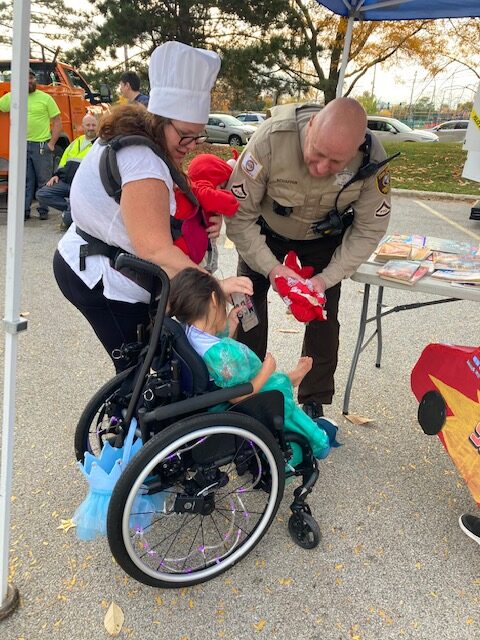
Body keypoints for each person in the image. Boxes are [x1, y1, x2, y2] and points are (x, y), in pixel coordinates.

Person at [53, 41, 252, 372]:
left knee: (151, 367)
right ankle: (124, 424)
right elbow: (154, 248)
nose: (190, 147)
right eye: (185, 136)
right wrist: (213, 285)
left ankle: (129, 419)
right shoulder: (143, 161)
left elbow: (154, 207)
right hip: (101, 277)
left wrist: (202, 224)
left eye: (197, 137)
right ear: (161, 119)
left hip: (89, 258)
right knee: (144, 374)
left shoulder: (142, 140)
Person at [225, 97, 392, 419]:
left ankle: (314, 400)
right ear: (312, 125)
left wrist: (325, 279)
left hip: (321, 242)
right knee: (246, 311)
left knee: (324, 321)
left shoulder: (372, 158)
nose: (320, 169)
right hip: (264, 234)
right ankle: (243, 393)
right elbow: (239, 216)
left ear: (357, 147)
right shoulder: (271, 140)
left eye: (335, 163)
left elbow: (370, 228)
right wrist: (272, 269)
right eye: (316, 154)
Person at [168, 268, 337, 465]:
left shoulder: (190, 333)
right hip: (236, 399)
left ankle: (289, 379)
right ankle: (318, 438)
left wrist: (230, 323)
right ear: (215, 300)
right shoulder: (219, 354)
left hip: (213, 391)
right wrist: (267, 369)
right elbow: (238, 395)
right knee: (279, 394)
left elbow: (214, 351)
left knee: (274, 383)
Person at [0, 68, 62, 220]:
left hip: (41, 145)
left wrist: (52, 143)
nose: (29, 81)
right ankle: (24, 212)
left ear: (35, 80)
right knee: (25, 180)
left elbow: (57, 121)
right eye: (25, 78)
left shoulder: (45, 98)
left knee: (43, 180)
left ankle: (43, 211)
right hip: (21, 145)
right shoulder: (12, 97)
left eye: (31, 78)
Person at [36, 113, 98, 229]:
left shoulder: (100, 145)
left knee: (68, 222)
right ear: (82, 126)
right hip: (66, 182)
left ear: (98, 127)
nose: (90, 128)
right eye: (88, 125)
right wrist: (56, 175)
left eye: (93, 125)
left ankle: (72, 212)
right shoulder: (76, 142)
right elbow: (63, 161)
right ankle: (72, 208)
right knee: (42, 194)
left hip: (83, 186)